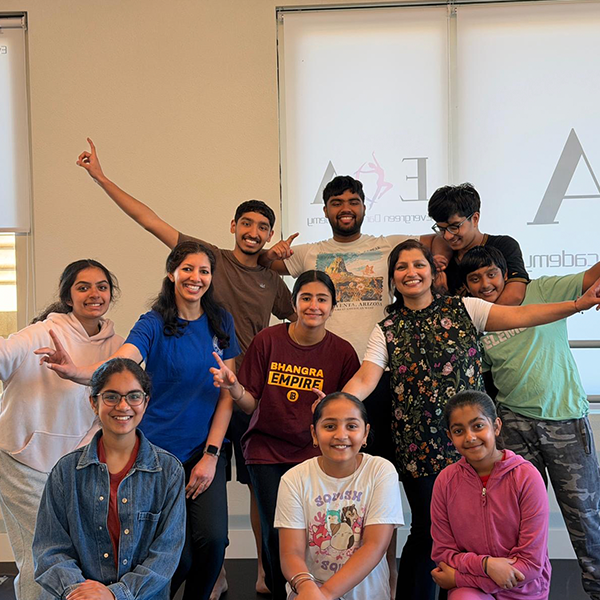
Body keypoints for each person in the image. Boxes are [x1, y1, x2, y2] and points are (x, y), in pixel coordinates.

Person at [77, 138, 293, 596]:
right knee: (186, 536)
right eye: (247, 223)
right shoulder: (205, 258)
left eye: (263, 227)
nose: (253, 231)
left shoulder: (272, 278)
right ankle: (205, 575)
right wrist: (100, 178)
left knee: (252, 489)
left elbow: (305, 316)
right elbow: (149, 219)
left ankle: (256, 570)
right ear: (233, 226)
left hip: (237, 393)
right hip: (192, 400)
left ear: (270, 234)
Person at [341, 238, 600, 600]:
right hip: (419, 449)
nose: (411, 272)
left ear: (433, 272)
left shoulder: (466, 309)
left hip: (472, 445)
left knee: (477, 533)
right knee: (428, 532)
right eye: (401, 267)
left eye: (419, 264)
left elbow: (524, 316)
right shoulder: (386, 329)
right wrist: (339, 405)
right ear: (393, 278)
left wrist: (576, 305)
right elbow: (366, 377)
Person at [260, 175, 447, 596]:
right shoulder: (309, 252)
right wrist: (274, 252)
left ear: (364, 206)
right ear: (325, 209)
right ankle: (312, 572)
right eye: (336, 201)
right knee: (326, 483)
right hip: (332, 379)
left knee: (380, 482)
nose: (346, 207)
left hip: (382, 379)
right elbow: (264, 263)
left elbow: (438, 244)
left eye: (354, 201)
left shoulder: (390, 245)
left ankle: (384, 573)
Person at [36, 241, 240, 600]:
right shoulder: (154, 322)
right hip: (157, 456)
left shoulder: (221, 321)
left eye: (204, 271)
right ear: (171, 273)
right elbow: (122, 362)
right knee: (179, 555)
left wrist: (211, 455)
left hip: (203, 450)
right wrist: (74, 371)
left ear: (211, 277)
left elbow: (227, 393)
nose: (195, 277)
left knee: (213, 539)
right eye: (187, 269)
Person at [460, 245, 600, 600]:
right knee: (519, 524)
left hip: (565, 421)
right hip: (513, 425)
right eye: (475, 278)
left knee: (586, 520)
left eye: (492, 274)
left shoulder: (543, 290)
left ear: (506, 274)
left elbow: (592, 276)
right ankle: (527, 594)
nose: (485, 284)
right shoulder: (477, 320)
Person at [209, 270, 360, 600]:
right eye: (306, 298)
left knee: (316, 534)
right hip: (267, 451)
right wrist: (234, 388)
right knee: (276, 534)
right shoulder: (268, 340)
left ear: (332, 306)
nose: (314, 305)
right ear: (293, 303)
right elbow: (250, 403)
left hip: (315, 455)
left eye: (322, 299)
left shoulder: (343, 352)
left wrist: (330, 410)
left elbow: (350, 414)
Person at [0, 259, 123, 600]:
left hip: (72, 467)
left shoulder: (118, 345)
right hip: (22, 462)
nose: (94, 294)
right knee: (40, 551)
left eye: (101, 287)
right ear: (68, 297)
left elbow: (110, 409)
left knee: (70, 553)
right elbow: (4, 356)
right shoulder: (42, 332)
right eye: (83, 287)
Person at [33, 358, 186, 600]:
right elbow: (49, 549)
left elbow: (166, 554)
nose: (123, 406)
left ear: (146, 402)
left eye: (134, 396)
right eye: (111, 396)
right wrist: (81, 593)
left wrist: (116, 595)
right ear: (94, 403)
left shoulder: (169, 471)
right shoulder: (65, 471)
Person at [275, 391, 404, 600]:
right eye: (329, 426)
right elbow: (291, 553)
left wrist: (326, 594)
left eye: (351, 426)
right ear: (314, 433)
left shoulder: (381, 471)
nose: (341, 435)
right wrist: (307, 587)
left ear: (365, 433)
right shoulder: (294, 479)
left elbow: (375, 545)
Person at [430, 390, 551, 600]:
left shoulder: (527, 477)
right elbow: (443, 554)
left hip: (524, 588)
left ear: (496, 426)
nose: (470, 437)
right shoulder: (445, 481)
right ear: (450, 437)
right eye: (459, 431)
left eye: (478, 426)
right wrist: (487, 565)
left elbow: (531, 565)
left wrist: (459, 579)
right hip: (472, 592)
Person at [428, 183, 529, 304]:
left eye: (454, 227)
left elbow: (515, 295)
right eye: (441, 229)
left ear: (475, 219)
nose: (447, 236)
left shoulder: (504, 246)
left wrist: (475, 317)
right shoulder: (442, 256)